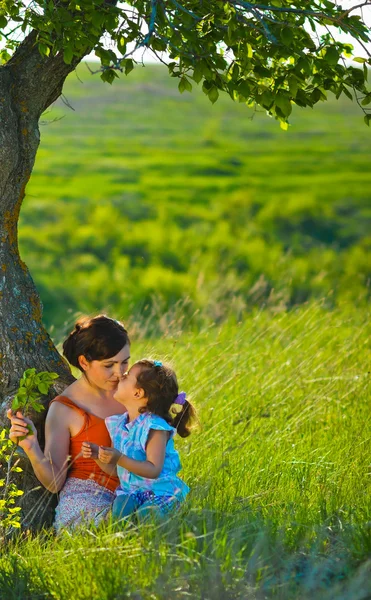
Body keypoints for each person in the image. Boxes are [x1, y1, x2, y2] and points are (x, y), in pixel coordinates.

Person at [7, 314, 131, 531]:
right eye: (109, 365)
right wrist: (31, 446)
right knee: (116, 525)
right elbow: (55, 483)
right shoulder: (64, 409)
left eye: (125, 362)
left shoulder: (134, 391)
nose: (119, 373)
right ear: (84, 362)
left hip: (133, 491)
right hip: (88, 497)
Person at [81, 359, 195, 522]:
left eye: (126, 376)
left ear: (138, 393)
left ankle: (162, 523)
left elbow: (153, 469)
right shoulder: (119, 425)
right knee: (120, 510)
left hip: (162, 492)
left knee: (148, 514)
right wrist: (98, 457)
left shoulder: (154, 427)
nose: (121, 376)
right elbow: (116, 469)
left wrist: (119, 457)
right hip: (132, 493)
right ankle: (124, 540)